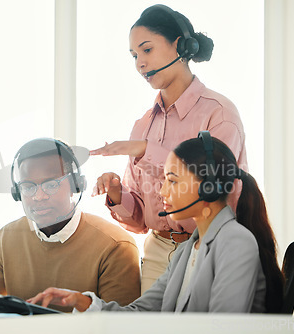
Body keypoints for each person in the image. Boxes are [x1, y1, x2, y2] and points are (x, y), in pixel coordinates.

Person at [28, 132, 283, 313]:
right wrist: (83, 302)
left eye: (172, 180)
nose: (162, 192)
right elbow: (142, 312)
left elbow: (223, 329)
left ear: (208, 186)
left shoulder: (236, 243)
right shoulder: (187, 251)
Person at [90, 4, 248, 293]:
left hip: (210, 248)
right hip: (157, 253)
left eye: (147, 50)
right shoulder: (142, 126)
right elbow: (140, 220)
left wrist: (145, 150)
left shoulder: (220, 113)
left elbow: (210, 185)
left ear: (179, 46)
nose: (139, 63)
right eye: (134, 55)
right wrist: (118, 193)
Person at [0, 138, 141, 312]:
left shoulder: (115, 246)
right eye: (28, 187)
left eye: (51, 184)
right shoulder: (5, 238)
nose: (39, 196)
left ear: (76, 185)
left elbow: (121, 326)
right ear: (17, 192)